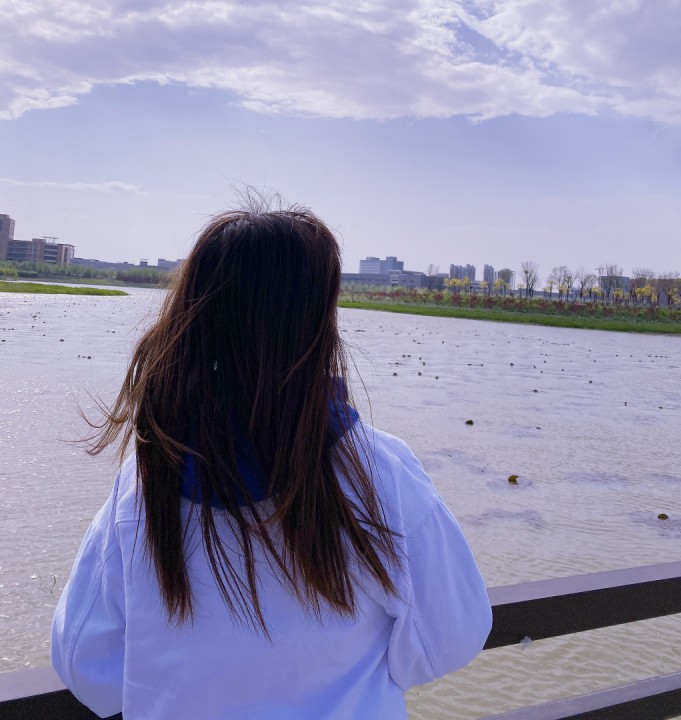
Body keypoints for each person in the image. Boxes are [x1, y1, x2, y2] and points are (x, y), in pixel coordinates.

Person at [51, 205, 492, 719]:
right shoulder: (381, 473)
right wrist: (361, 673)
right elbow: (453, 635)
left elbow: (86, 666)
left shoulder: (149, 475)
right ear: (318, 322)